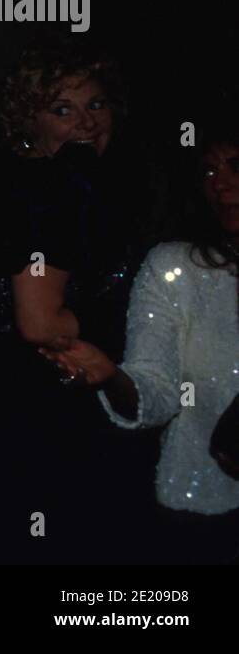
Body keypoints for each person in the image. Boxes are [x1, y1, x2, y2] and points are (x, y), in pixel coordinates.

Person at [0, 36, 160, 562]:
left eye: (96, 104)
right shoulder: (52, 186)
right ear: (27, 119)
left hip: (19, 402)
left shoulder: (46, 178)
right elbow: (39, 322)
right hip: (46, 407)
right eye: (63, 109)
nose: (86, 122)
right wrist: (129, 316)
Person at [43, 119, 239, 563]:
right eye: (208, 171)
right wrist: (111, 377)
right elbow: (157, 391)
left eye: (235, 166)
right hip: (204, 515)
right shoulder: (177, 267)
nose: (221, 184)